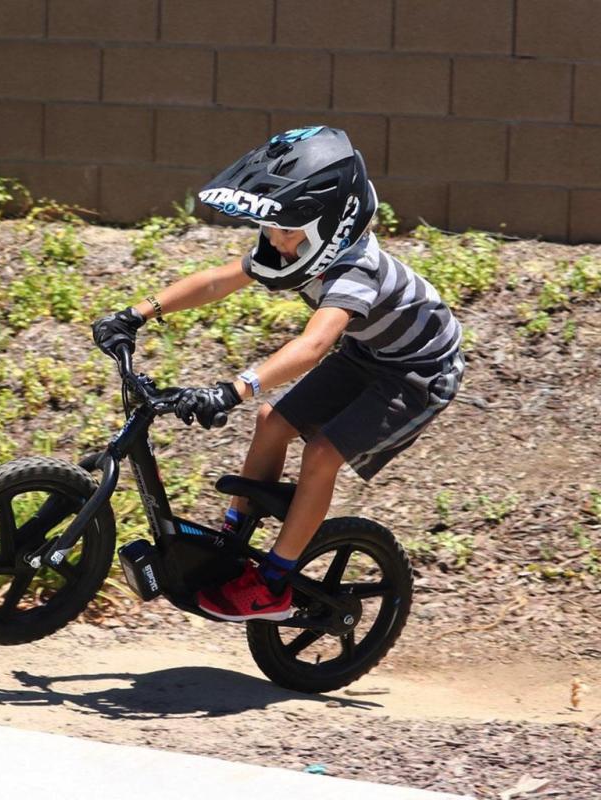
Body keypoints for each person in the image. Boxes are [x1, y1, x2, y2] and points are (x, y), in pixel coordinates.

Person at [91, 126, 464, 623]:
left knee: (322, 452)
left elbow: (313, 345)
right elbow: (217, 280)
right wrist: (136, 313)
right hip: (368, 353)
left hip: (419, 372)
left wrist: (232, 390)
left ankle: (273, 583)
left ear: (328, 229)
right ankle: (235, 539)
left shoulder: (355, 271)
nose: (274, 239)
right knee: (271, 421)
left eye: (287, 230)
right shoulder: (290, 250)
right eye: (271, 227)